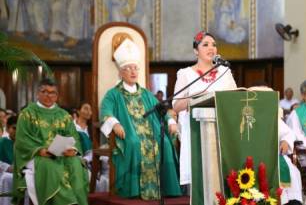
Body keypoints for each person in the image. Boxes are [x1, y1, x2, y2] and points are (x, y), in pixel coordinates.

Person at [100, 38, 181, 199]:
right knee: (134, 143)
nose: (133, 72)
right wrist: (115, 124)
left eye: (135, 68)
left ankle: (166, 189)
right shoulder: (113, 94)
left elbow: (161, 110)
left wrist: (171, 121)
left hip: (152, 132)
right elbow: (106, 111)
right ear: (120, 72)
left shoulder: (145, 93)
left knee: (164, 142)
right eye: (128, 68)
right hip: (129, 133)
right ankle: (133, 190)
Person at [172, 31, 237, 187]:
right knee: (202, 180)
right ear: (196, 51)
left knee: (224, 178)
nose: (211, 48)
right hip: (197, 130)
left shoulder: (225, 72)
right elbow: (176, 105)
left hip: (223, 127)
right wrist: (196, 97)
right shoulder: (186, 74)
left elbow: (235, 98)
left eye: (214, 45)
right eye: (205, 44)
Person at [13, 78, 89, 205]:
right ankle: (68, 202)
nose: (48, 95)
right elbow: (22, 140)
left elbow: (73, 136)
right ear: (38, 93)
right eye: (44, 92)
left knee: (76, 164)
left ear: (57, 95)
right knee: (51, 166)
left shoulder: (63, 115)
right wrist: (39, 150)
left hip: (62, 154)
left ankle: (79, 201)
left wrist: (73, 150)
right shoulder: (27, 114)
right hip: (37, 155)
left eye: (52, 92)